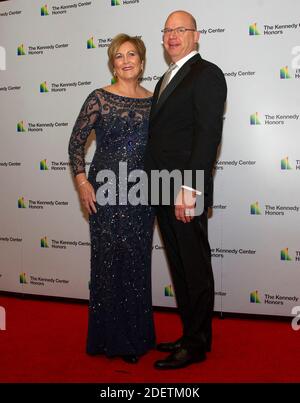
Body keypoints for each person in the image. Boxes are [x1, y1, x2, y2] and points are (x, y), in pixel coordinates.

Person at [144, 10, 227, 369]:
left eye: (180, 29)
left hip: (183, 190)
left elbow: (208, 136)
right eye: (167, 30)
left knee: (194, 266)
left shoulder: (207, 74)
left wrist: (190, 188)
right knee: (179, 266)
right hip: (160, 187)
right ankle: (189, 333)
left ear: (197, 35)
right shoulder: (165, 77)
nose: (172, 35)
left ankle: (197, 345)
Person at [68, 34, 155, 364]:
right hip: (104, 192)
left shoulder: (153, 100)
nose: (127, 59)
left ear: (143, 62)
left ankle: (136, 337)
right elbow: (76, 144)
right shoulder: (99, 99)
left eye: (132, 54)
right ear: (113, 64)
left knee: (136, 264)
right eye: (119, 55)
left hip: (142, 194)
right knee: (108, 264)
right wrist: (81, 182)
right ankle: (108, 339)